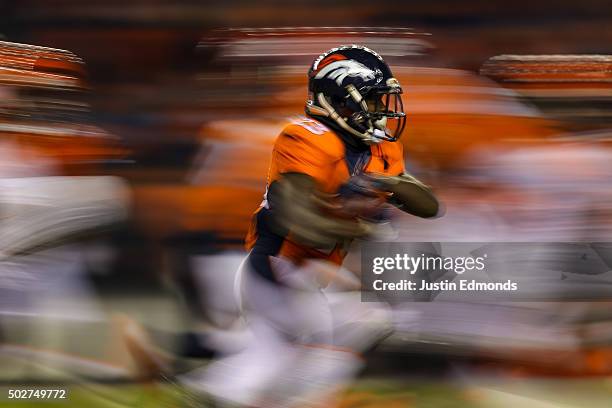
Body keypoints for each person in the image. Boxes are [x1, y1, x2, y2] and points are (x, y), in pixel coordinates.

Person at [181, 45, 440, 407]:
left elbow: (429, 206)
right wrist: (356, 227)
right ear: (339, 99)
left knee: (351, 324)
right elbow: (296, 219)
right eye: (373, 100)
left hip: (308, 273)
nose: (382, 110)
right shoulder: (306, 138)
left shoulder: (380, 151)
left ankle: (220, 387)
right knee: (321, 337)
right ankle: (280, 395)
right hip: (277, 266)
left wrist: (392, 185)